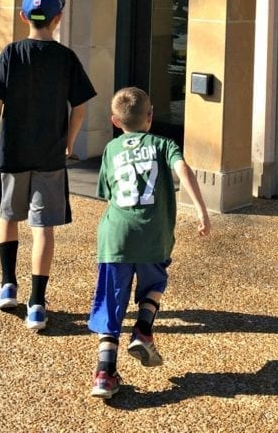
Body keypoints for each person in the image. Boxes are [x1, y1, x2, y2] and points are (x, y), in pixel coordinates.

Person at [0, 0, 96, 331]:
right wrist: (68, 141)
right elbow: (79, 106)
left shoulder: (11, 54)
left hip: (13, 150)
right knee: (43, 227)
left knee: (8, 216)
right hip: (49, 154)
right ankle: (36, 302)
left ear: (23, 16)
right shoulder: (66, 59)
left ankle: (7, 285)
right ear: (57, 18)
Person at [88, 85, 210, 399]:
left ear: (115, 121)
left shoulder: (111, 150)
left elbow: (106, 193)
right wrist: (201, 210)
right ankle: (143, 328)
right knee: (155, 282)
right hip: (153, 235)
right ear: (151, 117)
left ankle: (104, 373)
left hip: (116, 237)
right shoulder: (163, 143)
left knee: (111, 301)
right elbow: (182, 168)